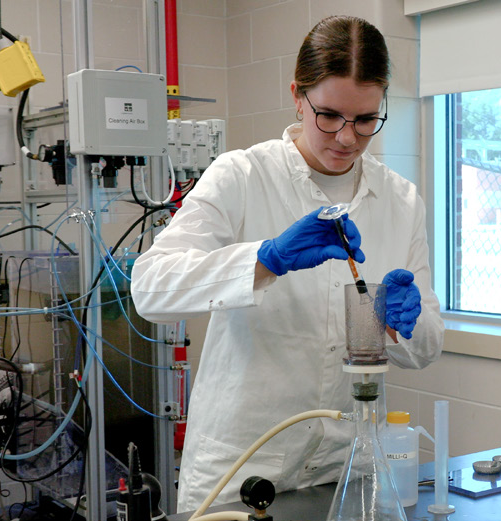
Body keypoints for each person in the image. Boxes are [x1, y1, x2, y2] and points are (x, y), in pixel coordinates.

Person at [130, 15, 444, 512]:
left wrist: (409, 321)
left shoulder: (401, 201)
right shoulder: (242, 175)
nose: (347, 138)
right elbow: (149, 289)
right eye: (329, 115)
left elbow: (424, 349)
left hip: (347, 469)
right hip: (241, 470)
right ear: (298, 96)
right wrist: (264, 260)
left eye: (365, 120)